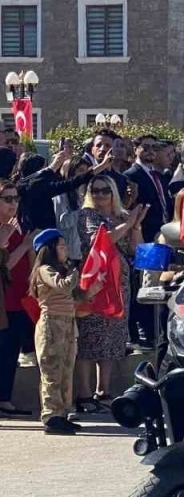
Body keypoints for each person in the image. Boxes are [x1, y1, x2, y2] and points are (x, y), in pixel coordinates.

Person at [73, 176, 146, 415]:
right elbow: (98, 241)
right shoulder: (87, 215)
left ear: (113, 192)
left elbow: (136, 248)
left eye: (106, 191)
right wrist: (127, 225)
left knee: (112, 337)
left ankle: (103, 390)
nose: (100, 195)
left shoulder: (124, 215)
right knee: (88, 338)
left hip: (119, 283)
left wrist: (135, 226)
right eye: (95, 191)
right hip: (95, 282)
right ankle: (84, 394)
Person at [29, 228, 100, 434]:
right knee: (52, 371)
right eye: (61, 246)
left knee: (66, 370)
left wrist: (89, 292)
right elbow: (63, 286)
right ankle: (51, 416)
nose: (66, 250)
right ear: (50, 249)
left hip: (67, 323)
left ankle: (62, 412)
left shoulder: (63, 270)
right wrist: (77, 271)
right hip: (52, 324)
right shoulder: (46, 270)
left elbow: (72, 298)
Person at [0, 179, 36, 415]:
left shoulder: (17, 223)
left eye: (16, 198)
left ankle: (5, 398)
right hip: (4, 299)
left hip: (20, 295)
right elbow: (5, 266)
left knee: (11, 351)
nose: (13, 203)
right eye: (7, 199)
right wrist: (23, 245)